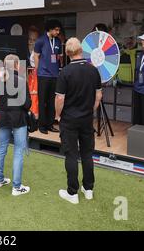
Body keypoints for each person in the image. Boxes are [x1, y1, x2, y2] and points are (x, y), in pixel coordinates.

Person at [55, 38, 102, 204]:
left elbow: (60, 99)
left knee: (71, 155)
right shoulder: (93, 70)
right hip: (87, 119)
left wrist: (58, 115)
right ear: (81, 50)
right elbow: (98, 96)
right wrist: (90, 110)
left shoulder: (65, 72)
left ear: (68, 53)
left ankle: (72, 193)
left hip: (69, 119)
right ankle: (88, 189)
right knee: (87, 153)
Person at [0, 54, 32, 196]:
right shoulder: (21, 81)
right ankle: (16, 187)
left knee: (1, 148)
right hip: (18, 119)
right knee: (18, 152)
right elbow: (27, 104)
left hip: (3, 118)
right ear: (17, 65)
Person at [34, 19, 62, 134]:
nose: (58, 32)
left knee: (51, 101)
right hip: (43, 75)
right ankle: (42, 126)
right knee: (42, 101)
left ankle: (50, 125)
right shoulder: (40, 40)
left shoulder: (58, 41)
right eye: (56, 30)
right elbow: (36, 56)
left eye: (59, 30)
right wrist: (38, 70)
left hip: (54, 75)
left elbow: (59, 56)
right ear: (50, 29)